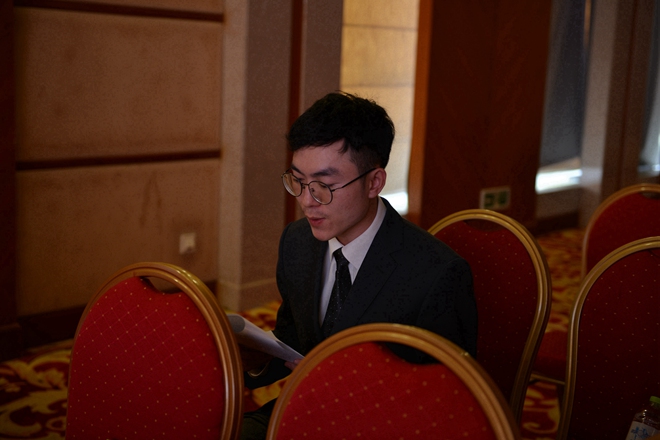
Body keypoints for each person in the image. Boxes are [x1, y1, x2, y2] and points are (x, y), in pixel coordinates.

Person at [240, 91, 477, 439]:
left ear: (374, 182)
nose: (307, 201)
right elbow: (294, 340)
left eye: (325, 185)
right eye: (298, 181)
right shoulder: (297, 242)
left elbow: (444, 401)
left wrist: (347, 386)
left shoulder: (436, 274)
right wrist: (254, 359)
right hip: (305, 408)